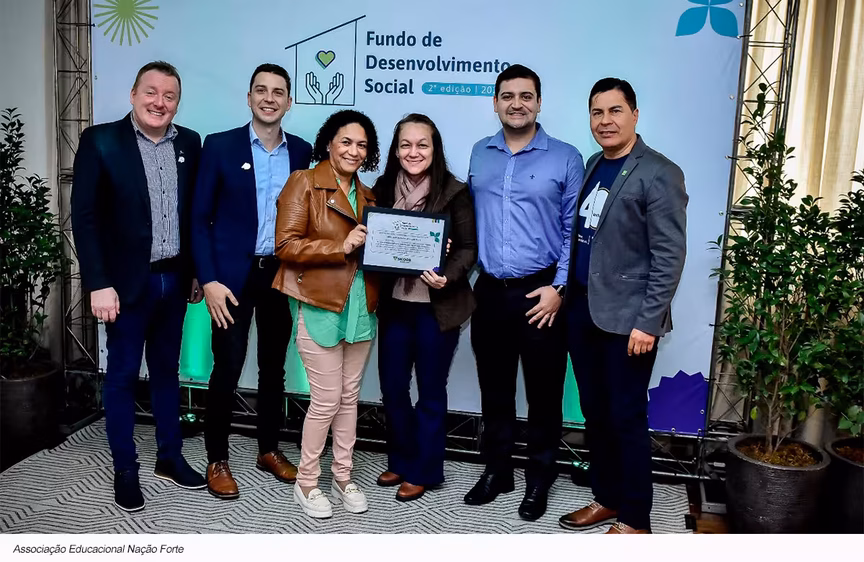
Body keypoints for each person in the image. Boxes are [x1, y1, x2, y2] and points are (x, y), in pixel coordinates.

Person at [71, 61, 206, 511]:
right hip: (124, 286)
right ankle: (125, 468)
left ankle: (170, 456)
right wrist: (98, 283)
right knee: (123, 377)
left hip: (174, 280)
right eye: (151, 92)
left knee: (167, 372)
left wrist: (195, 273)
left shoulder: (189, 142)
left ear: (177, 102)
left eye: (169, 96)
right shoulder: (100, 141)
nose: (159, 103)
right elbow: (85, 219)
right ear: (133, 94)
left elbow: (193, 215)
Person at [558, 78, 688, 534]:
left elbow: (669, 255)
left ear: (634, 114)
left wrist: (648, 322)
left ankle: (635, 520)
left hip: (629, 322)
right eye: (597, 112)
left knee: (626, 418)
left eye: (615, 111)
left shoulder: (660, 172)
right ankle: (607, 497)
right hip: (583, 313)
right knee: (595, 414)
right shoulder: (595, 163)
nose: (605, 121)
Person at [464, 64, 584, 521]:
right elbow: (470, 220)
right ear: (495, 102)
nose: (517, 104)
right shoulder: (480, 153)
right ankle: (498, 470)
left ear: (539, 102)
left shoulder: (566, 157)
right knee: (494, 390)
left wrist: (560, 288)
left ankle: (539, 477)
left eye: (526, 96)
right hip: (490, 292)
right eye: (508, 96)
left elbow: (574, 232)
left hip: (543, 294)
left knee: (543, 394)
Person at [191, 63, 312, 499]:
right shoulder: (219, 146)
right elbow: (199, 219)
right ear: (248, 98)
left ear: (289, 102)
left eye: (278, 92)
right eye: (261, 90)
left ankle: (268, 449)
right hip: (229, 281)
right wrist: (208, 279)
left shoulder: (301, 152)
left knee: (273, 368)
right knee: (226, 366)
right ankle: (217, 458)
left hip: (278, 276)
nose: (269, 98)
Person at [272, 110, 380, 519]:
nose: (354, 151)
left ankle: (343, 476)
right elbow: (285, 245)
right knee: (327, 400)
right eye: (346, 142)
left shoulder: (369, 195)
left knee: (349, 398)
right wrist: (340, 246)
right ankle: (307, 482)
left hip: (361, 306)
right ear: (329, 144)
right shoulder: (303, 181)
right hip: (318, 303)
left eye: (362, 145)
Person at [372, 114, 478, 502]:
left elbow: (468, 248)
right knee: (393, 388)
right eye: (405, 145)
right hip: (395, 306)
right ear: (395, 150)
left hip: (437, 309)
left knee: (431, 390)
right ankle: (401, 459)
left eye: (422, 144)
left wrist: (447, 275)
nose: (413, 152)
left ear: (435, 149)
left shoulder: (454, 191)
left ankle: (425, 469)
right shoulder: (382, 189)